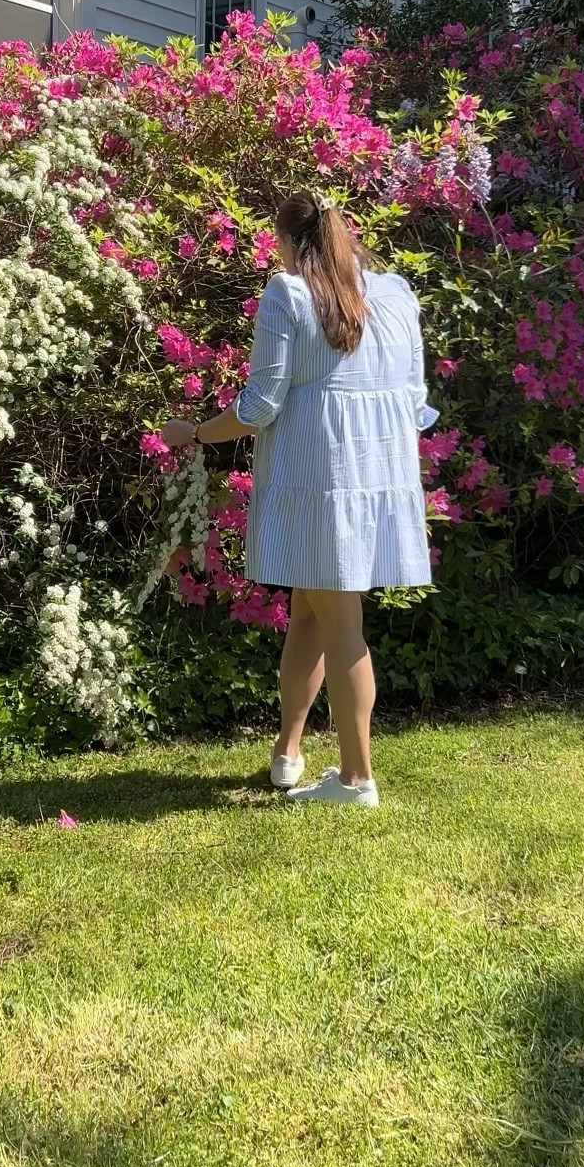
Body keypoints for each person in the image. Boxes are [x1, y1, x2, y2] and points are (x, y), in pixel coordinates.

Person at [161, 189, 437, 807]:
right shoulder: (395, 294)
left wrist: (195, 433)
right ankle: (287, 753)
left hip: (319, 483)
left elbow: (260, 405)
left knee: (341, 626)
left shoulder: (287, 294)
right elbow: (416, 403)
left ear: (288, 242)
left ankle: (357, 779)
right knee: (310, 616)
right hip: (372, 482)